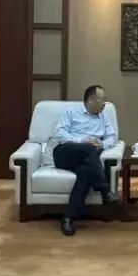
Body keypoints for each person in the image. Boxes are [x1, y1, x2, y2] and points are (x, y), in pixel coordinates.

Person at [50, 84, 118, 237]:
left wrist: (102, 144)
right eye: (101, 99)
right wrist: (81, 140)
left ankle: (68, 218)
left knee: (86, 172)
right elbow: (60, 134)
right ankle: (105, 190)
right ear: (90, 100)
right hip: (65, 153)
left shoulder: (104, 117)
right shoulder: (71, 112)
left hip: (87, 159)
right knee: (89, 148)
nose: (104, 103)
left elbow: (112, 137)